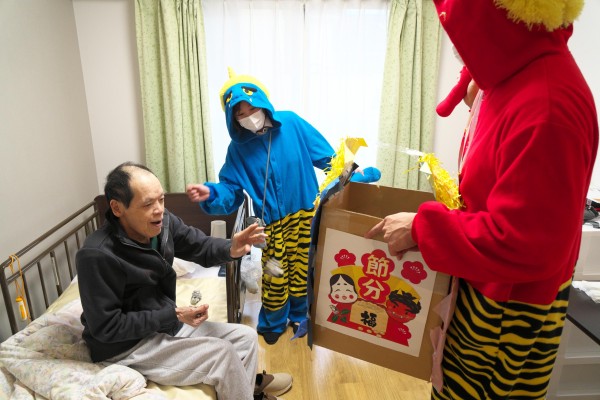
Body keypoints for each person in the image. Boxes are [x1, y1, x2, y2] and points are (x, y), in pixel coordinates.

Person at [366, 1, 598, 399]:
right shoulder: (515, 71)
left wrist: (423, 227)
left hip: (504, 312)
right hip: (483, 284)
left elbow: (526, 242)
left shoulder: (546, 107)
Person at [187, 69, 379, 344]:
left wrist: (354, 172)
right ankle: (274, 320)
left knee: (303, 268)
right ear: (232, 119)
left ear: (262, 102)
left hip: (305, 215)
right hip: (272, 226)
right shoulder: (237, 150)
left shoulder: (291, 123)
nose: (249, 116)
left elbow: (328, 159)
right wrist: (211, 193)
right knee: (274, 273)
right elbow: (231, 191)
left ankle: (300, 314)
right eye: (240, 114)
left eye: (252, 108)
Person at [76, 162, 293, 400]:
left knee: (246, 337)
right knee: (222, 354)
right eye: (148, 204)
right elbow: (107, 327)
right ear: (117, 208)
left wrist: (231, 247)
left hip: (163, 325)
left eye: (161, 200)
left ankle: (245, 391)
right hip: (127, 346)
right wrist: (173, 314)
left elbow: (198, 245)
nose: (159, 210)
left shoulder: (163, 223)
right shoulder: (97, 255)